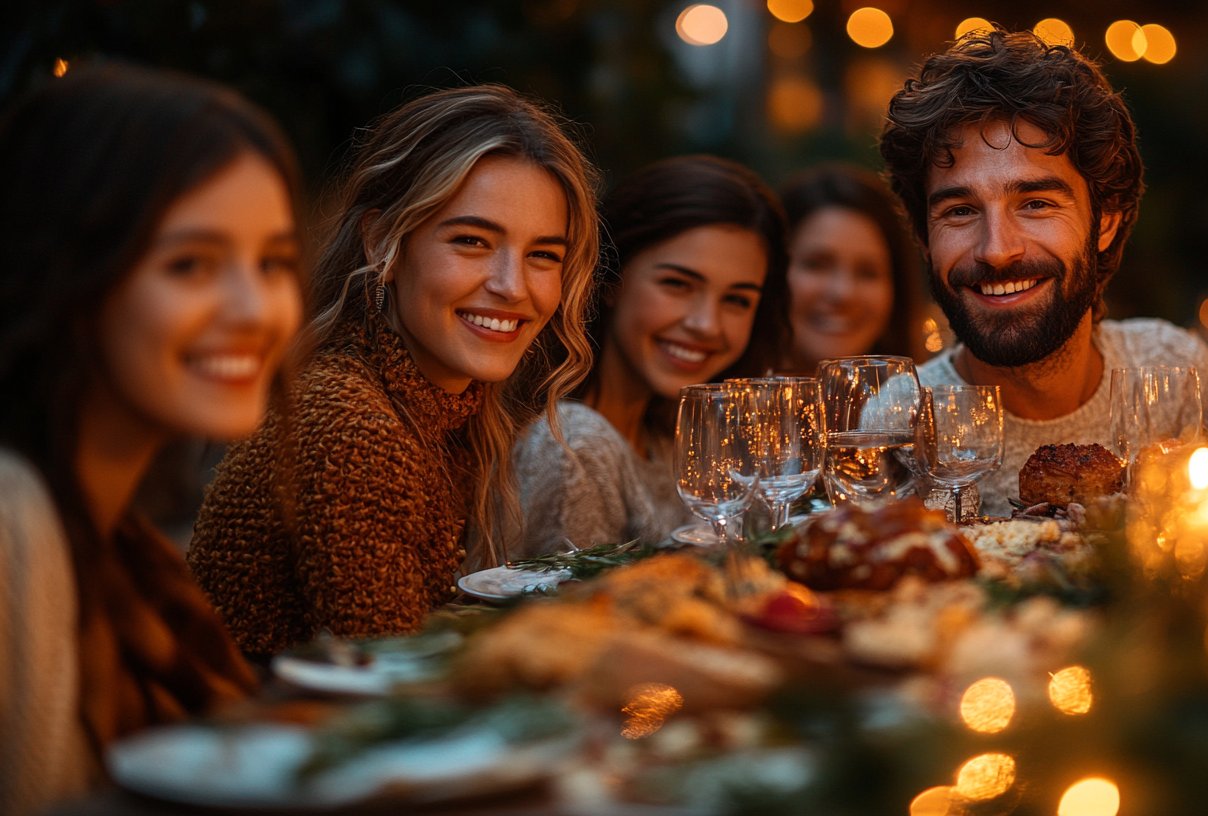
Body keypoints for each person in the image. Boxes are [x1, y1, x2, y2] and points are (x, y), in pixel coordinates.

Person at [188, 84, 599, 657]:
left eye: (543, 255)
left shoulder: (437, 409)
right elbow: (395, 679)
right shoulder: (352, 426)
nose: (513, 286)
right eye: (473, 241)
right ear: (384, 241)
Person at [0, 64, 303, 814]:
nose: (253, 308)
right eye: (191, 264)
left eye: (273, 263)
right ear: (67, 279)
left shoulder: (113, 534)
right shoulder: (15, 523)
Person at [878, 28, 1208, 514]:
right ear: (923, 238)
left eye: (1035, 203)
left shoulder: (1177, 380)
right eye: (959, 211)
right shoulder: (897, 424)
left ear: (1104, 222)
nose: (997, 251)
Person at [509, 155, 791, 557]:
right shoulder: (577, 443)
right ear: (608, 279)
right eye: (677, 284)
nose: (707, 324)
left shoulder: (672, 441)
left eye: (737, 300)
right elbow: (575, 615)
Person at [778, 163, 924, 372]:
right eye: (817, 265)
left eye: (868, 273)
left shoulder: (940, 401)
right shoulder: (722, 402)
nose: (843, 292)